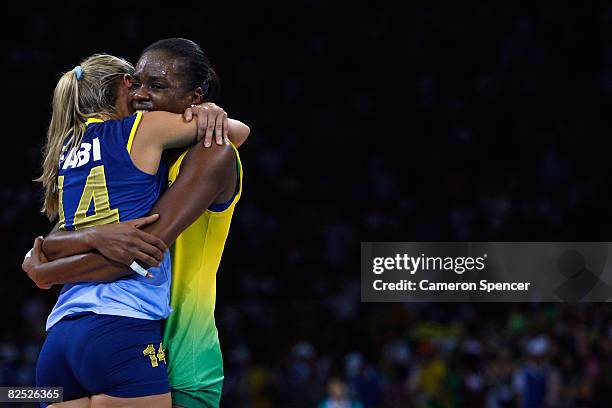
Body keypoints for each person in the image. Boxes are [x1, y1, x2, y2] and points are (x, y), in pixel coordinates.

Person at [24, 38, 248, 408]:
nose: (141, 95)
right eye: (136, 83)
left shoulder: (213, 152)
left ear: (194, 98)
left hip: (181, 356)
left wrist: (49, 269)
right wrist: (60, 246)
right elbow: (70, 230)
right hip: (128, 336)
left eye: (156, 86)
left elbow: (139, 253)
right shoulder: (142, 158)